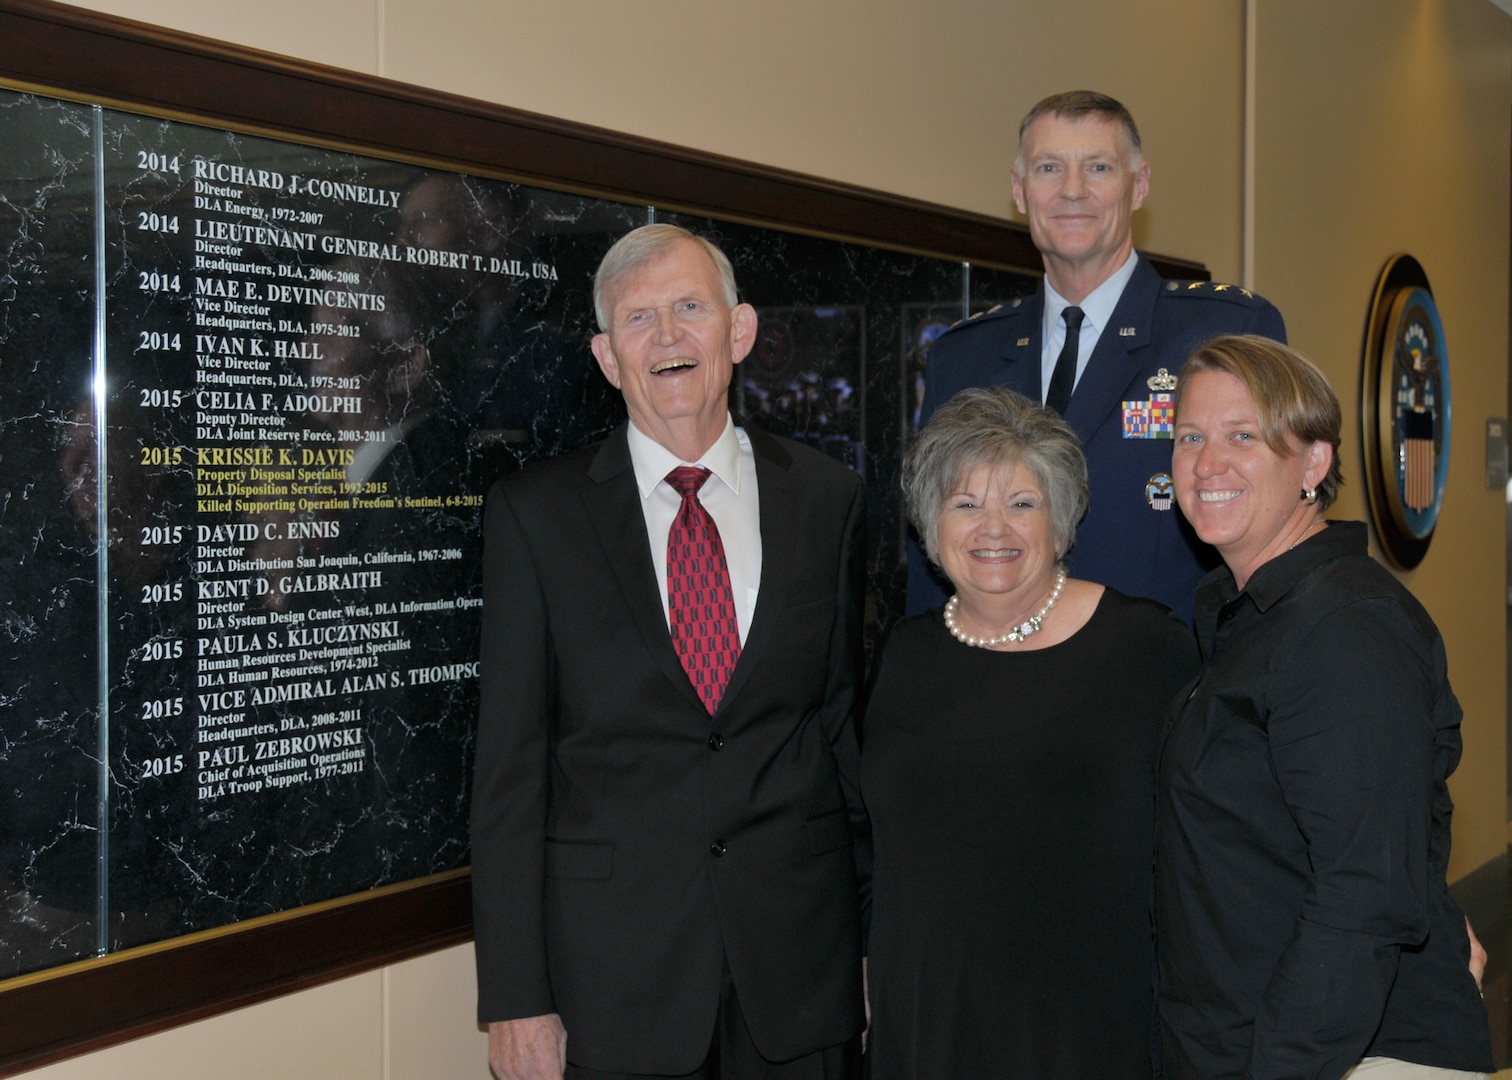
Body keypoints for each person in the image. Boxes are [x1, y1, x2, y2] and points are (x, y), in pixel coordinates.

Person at [471, 224, 869, 1080]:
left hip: (800, 970)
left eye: (690, 308)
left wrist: (876, 945)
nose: (667, 337)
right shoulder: (535, 518)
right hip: (615, 985)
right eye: (639, 318)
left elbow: (840, 731)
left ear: (740, 331)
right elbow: (509, 774)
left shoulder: (828, 501)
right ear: (608, 358)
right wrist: (513, 996)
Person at [1157, 335, 1494, 1080]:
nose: (1207, 463)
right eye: (1190, 437)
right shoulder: (1248, 616)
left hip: (1338, 1057)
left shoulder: (1344, 629)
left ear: (1314, 462)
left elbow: (1366, 894)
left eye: (1243, 435)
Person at [861, 386, 1199, 1078]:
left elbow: (1222, 832)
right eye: (966, 504)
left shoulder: (1145, 648)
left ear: (1062, 519)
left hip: (1089, 1025)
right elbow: (870, 846)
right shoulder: (899, 656)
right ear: (931, 522)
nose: (994, 529)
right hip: (929, 1021)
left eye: (1022, 503)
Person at [908, 90, 1286, 622]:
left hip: (1172, 683)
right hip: (1000, 679)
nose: (1073, 191)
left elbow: (1275, 536)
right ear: (1019, 189)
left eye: (1099, 167)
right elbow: (929, 550)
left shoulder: (1223, 331)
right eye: (1049, 168)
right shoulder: (962, 355)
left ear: (1140, 186)